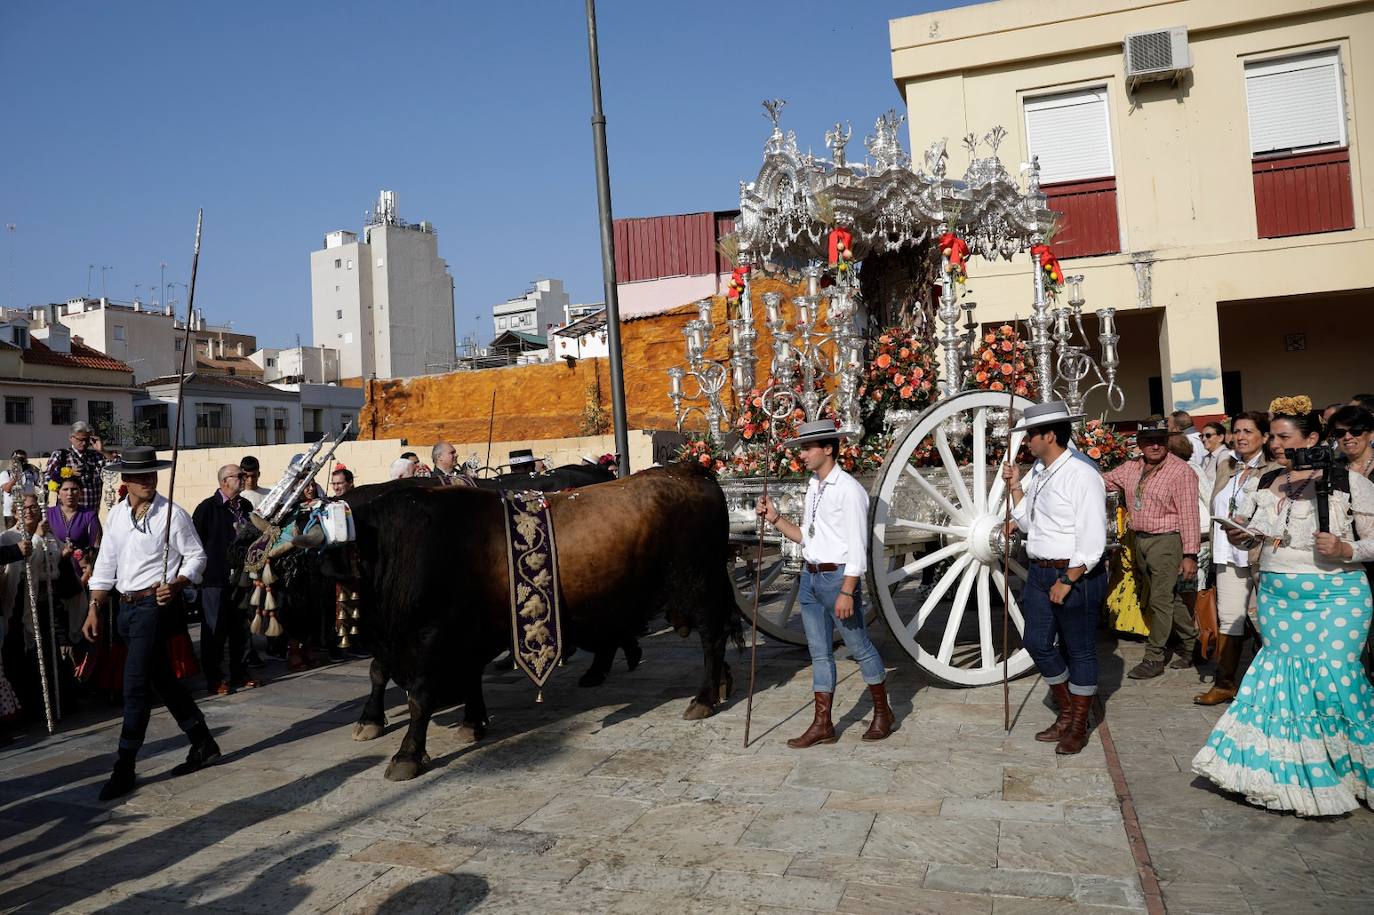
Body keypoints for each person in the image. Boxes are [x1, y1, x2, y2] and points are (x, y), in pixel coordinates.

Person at [1192, 403, 1374, 816]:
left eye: (1284, 437)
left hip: (1336, 596)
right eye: (1272, 436)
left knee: (1337, 679)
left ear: (1312, 439)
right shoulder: (1269, 481)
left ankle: (1352, 770)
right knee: (1287, 684)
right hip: (1277, 594)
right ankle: (1292, 772)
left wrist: (1347, 549)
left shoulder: (1349, 481)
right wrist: (1241, 537)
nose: (1274, 444)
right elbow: (1247, 528)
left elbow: (1372, 541)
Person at [82, 446, 216, 801]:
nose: (147, 480)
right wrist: (95, 607)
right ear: (125, 480)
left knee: (135, 686)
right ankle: (202, 741)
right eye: (139, 475)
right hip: (123, 610)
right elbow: (106, 564)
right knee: (162, 679)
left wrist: (177, 583)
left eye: (151, 474)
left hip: (154, 607)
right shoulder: (116, 517)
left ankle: (124, 766)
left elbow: (197, 556)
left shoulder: (172, 514)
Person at [756, 418, 893, 746]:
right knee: (819, 654)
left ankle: (882, 712)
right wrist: (774, 518)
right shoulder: (814, 486)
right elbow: (806, 537)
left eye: (807, 448)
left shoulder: (849, 490)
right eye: (801, 448)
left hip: (837, 580)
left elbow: (858, 547)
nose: (801, 454)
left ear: (828, 449)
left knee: (859, 647)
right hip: (810, 578)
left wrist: (847, 589)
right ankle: (823, 724)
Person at [1002, 402, 1108, 754]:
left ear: (1050, 435)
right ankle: (1067, 711)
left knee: (1079, 651)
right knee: (1036, 642)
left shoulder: (1082, 474)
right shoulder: (1041, 471)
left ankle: (1078, 724)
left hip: (1073, 573)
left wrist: (1069, 578)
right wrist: (1016, 487)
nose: (1027, 441)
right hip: (1040, 571)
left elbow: (1094, 537)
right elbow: (1032, 524)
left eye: (1031, 434)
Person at [1104, 419, 1201, 679]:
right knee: (1168, 597)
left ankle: (1154, 656)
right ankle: (1193, 643)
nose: (1155, 445)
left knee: (1159, 599)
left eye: (1160, 440)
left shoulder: (1181, 472)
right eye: (1149, 441)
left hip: (1166, 541)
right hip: (1140, 540)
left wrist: (1190, 555)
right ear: (1139, 443)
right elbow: (1104, 482)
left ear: (1168, 441)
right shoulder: (1131, 467)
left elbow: (1189, 515)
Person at [1195, 412, 1275, 705]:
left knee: (1267, 620)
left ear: (1264, 437)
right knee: (1229, 618)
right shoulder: (1226, 465)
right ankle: (1225, 683)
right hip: (1226, 554)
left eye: (1248, 431)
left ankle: (1270, 686)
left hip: (1260, 555)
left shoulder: (1274, 469)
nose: (1240, 437)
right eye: (1237, 431)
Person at [192, 465, 259, 696]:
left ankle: (241, 671)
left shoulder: (246, 506)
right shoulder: (207, 508)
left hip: (241, 578)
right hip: (214, 579)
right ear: (224, 481)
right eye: (238, 476)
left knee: (241, 628)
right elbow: (195, 543)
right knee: (214, 630)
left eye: (244, 475)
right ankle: (215, 677)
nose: (243, 479)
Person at [1, 494, 64, 720]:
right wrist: (36, 539)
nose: (29, 511)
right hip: (17, 605)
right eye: (23, 508)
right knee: (18, 658)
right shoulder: (7, 538)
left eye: (33, 507)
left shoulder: (48, 535)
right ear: (15, 512)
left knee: (45, 656)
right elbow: (24, 565)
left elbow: (53, 564)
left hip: (43, 602)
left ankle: (48, 704)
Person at [45, 476, 102, 650]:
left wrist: (86, 575)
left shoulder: (89, 515)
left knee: (78, 623)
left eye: (74, 489)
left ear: (81, 493)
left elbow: (98, 548)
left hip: (81, 576)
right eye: (66, 490)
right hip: (54, 574)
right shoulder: (48, 514)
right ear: (58, 492)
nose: (70, 494)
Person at [45, 421, 107, 511]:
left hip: (91, 511)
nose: (84, 443)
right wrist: (68, 473)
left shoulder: (96, 456)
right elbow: (47, 479)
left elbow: (116, 468)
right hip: (67, 513)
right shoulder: (61, 455)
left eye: (87, 440)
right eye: (80, 440)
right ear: (71, 438)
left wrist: (102, 450)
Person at [1328, 404, 1374, 482]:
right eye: (1340, 433)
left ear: (1371, 433)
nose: (1347, 437)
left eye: (1356, 431)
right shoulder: (1332, 469)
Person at [1, 450, 41, 529]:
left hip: (27, 511)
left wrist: (34, 470)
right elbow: (7, 489)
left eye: (23, 459)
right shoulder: (6, 473)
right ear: (12, 460)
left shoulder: (31, 473)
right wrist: (16, 476)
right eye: (18, 459)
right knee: (12, 535)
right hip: (11, 512)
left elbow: (40, 485)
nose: (20, 462)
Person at [1198, 421, 1229, 493]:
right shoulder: (1207, 457)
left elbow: (1223, 485)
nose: (1203, 439)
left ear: (1220, 437)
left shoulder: (1225, 455)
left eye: (1208, 435)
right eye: (1202, 436)